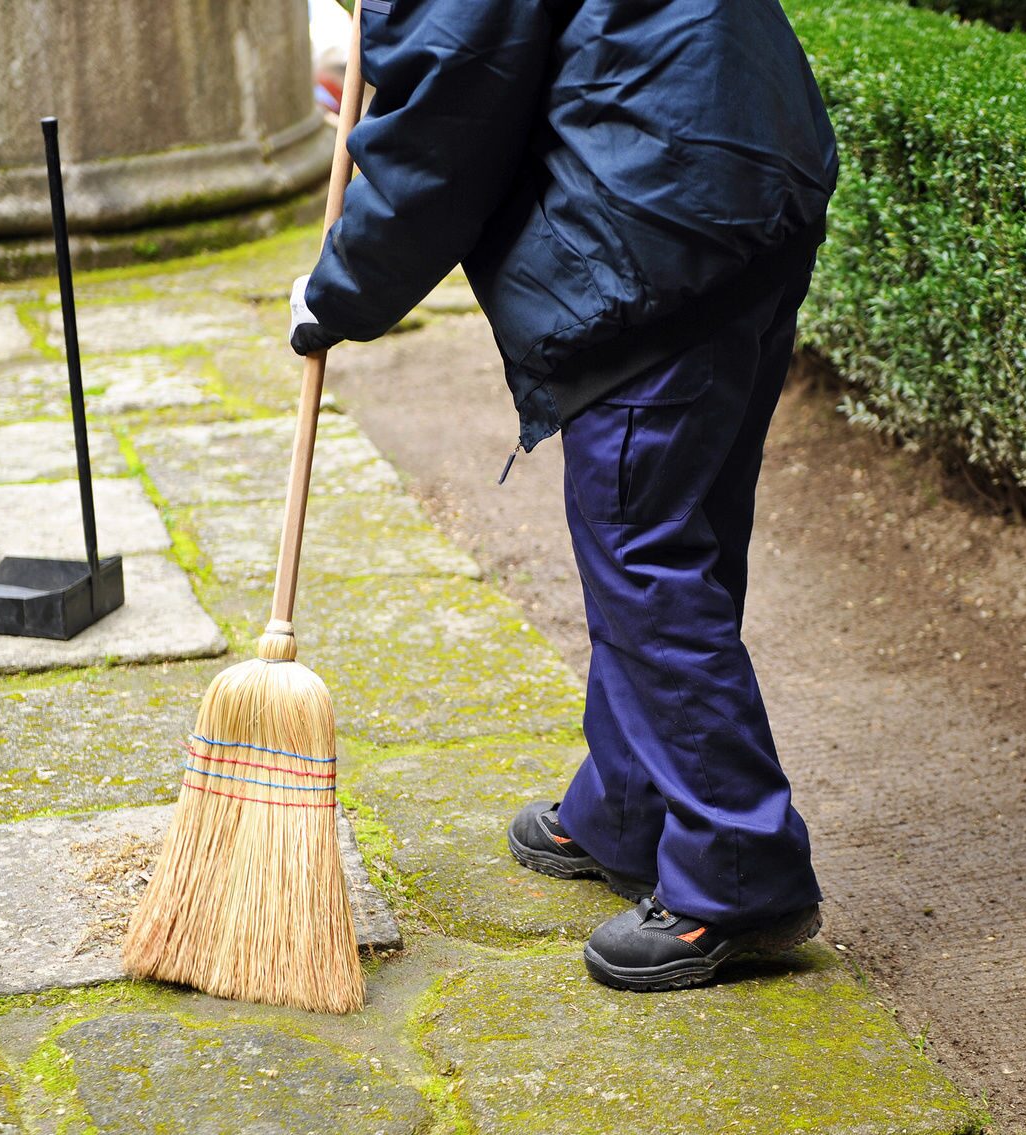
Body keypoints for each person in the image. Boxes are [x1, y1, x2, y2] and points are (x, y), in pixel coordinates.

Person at [289, 0, 838, 992]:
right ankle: (631, 803)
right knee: (690, 520)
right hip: (752, 181)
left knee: (643, 544)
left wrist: (339, 289)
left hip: (658, 225)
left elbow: (448, 112)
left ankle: (736, 874)